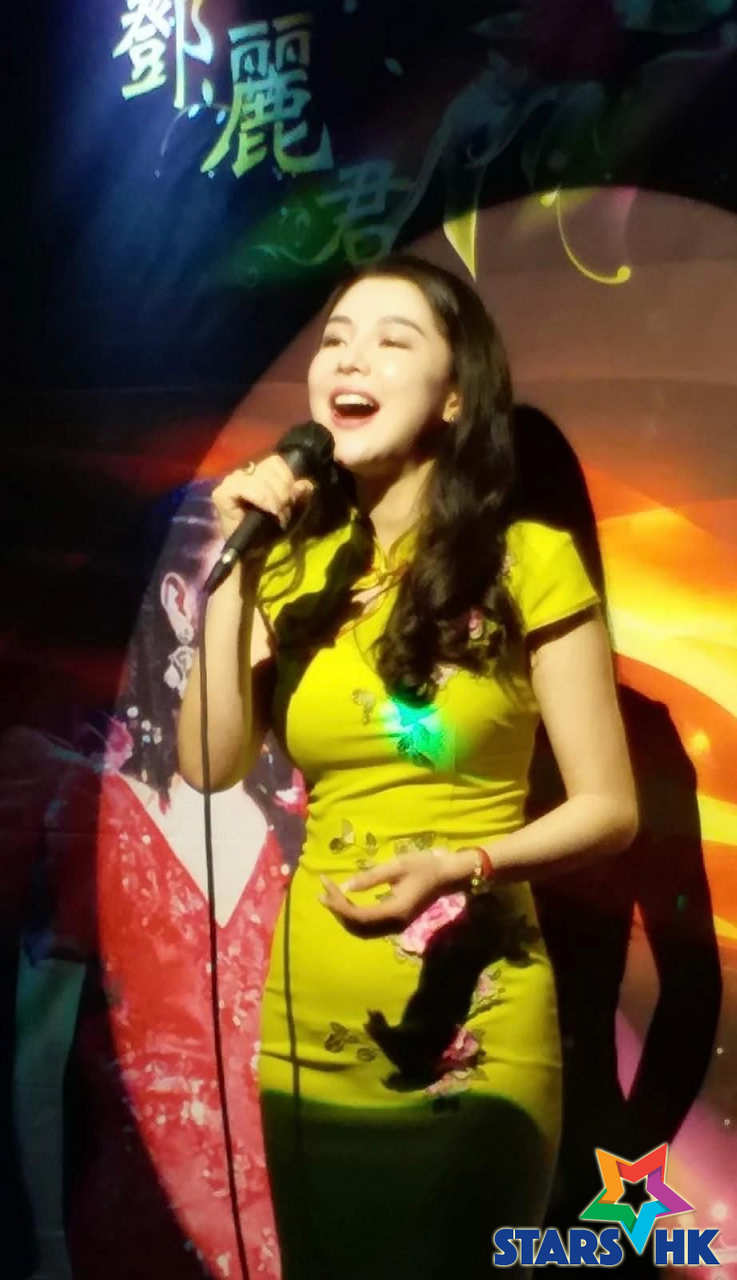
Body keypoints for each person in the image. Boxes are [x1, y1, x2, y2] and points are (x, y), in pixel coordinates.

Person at [178, 254, 639, 1278]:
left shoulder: (528, 560)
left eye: (392, 341)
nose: (349, 358)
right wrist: (230, 571)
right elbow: (208, 765)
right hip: (306, 1019)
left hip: (473, 1016)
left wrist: (462, 864)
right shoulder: (287, 567)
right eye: (335, 339)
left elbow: (610, 807)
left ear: (455, 395)